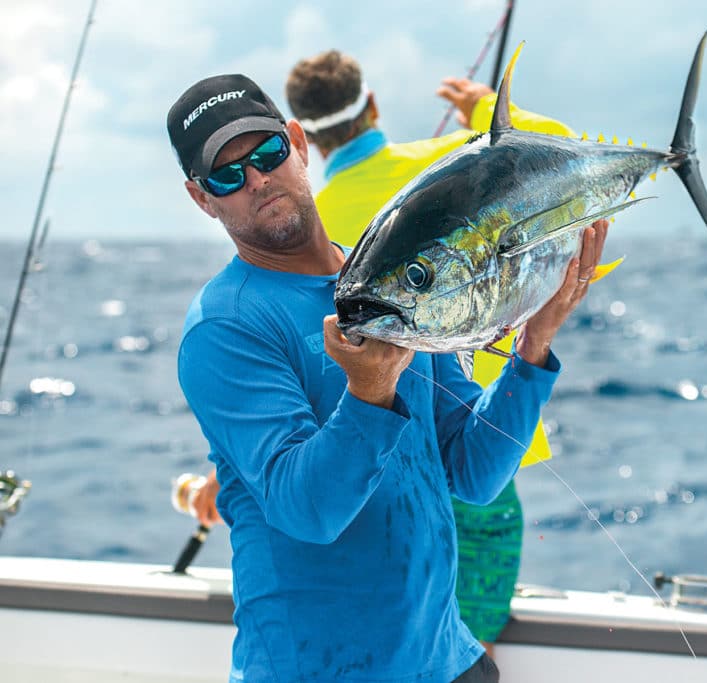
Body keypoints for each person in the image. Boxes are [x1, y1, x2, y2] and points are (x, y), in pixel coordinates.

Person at [166, 71, 607, 682]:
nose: (257, 179)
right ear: (201, 197)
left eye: (266, 152)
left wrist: (535, 345)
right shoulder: (224, 329)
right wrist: (369, 393)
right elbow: (309, 511)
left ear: (297, 142)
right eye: (227, 174)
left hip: (447, 660)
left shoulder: (392, 281)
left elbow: (473, 470)